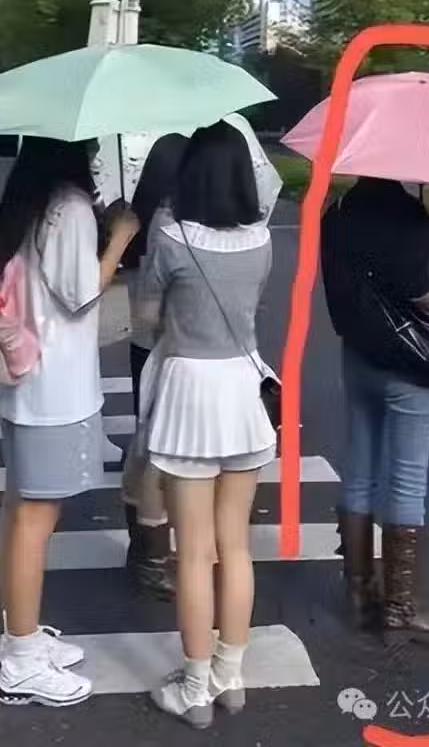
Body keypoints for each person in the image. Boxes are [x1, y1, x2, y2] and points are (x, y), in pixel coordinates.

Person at [0, 136, 140, 707]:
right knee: (35, 518)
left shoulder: (27, 200)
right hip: (54, 388)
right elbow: (80, 294)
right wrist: (120, 237)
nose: (96, 155)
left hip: (24, 381)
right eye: (90, 147)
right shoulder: (68, 207)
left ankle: (18, 637)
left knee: (17, 508)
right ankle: (22, 660)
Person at [137, 121, 276, 728]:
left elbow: (146, 318)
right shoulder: (262, 240)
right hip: (243, 392)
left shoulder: (170, 239)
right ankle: (231, 675)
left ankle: (194, 687)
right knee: (235, 546)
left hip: (188, 393)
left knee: (193, 552)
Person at [320, 176, 429, 635]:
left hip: (357, 354)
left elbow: (338, 289)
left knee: (359, 469)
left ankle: (359, 592)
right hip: (406, 360)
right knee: (408, 477)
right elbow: (419, 294)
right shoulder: (410, 215)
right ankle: (398, 606)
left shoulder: (337, 214)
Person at [119, 133, 189, 599]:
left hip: (143, 348)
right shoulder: (171, 226)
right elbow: (154, 310)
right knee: (161, 453)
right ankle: (152, 556)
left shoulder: (139, 221)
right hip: (169, 347)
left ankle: (143, 551)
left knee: (146, 445)